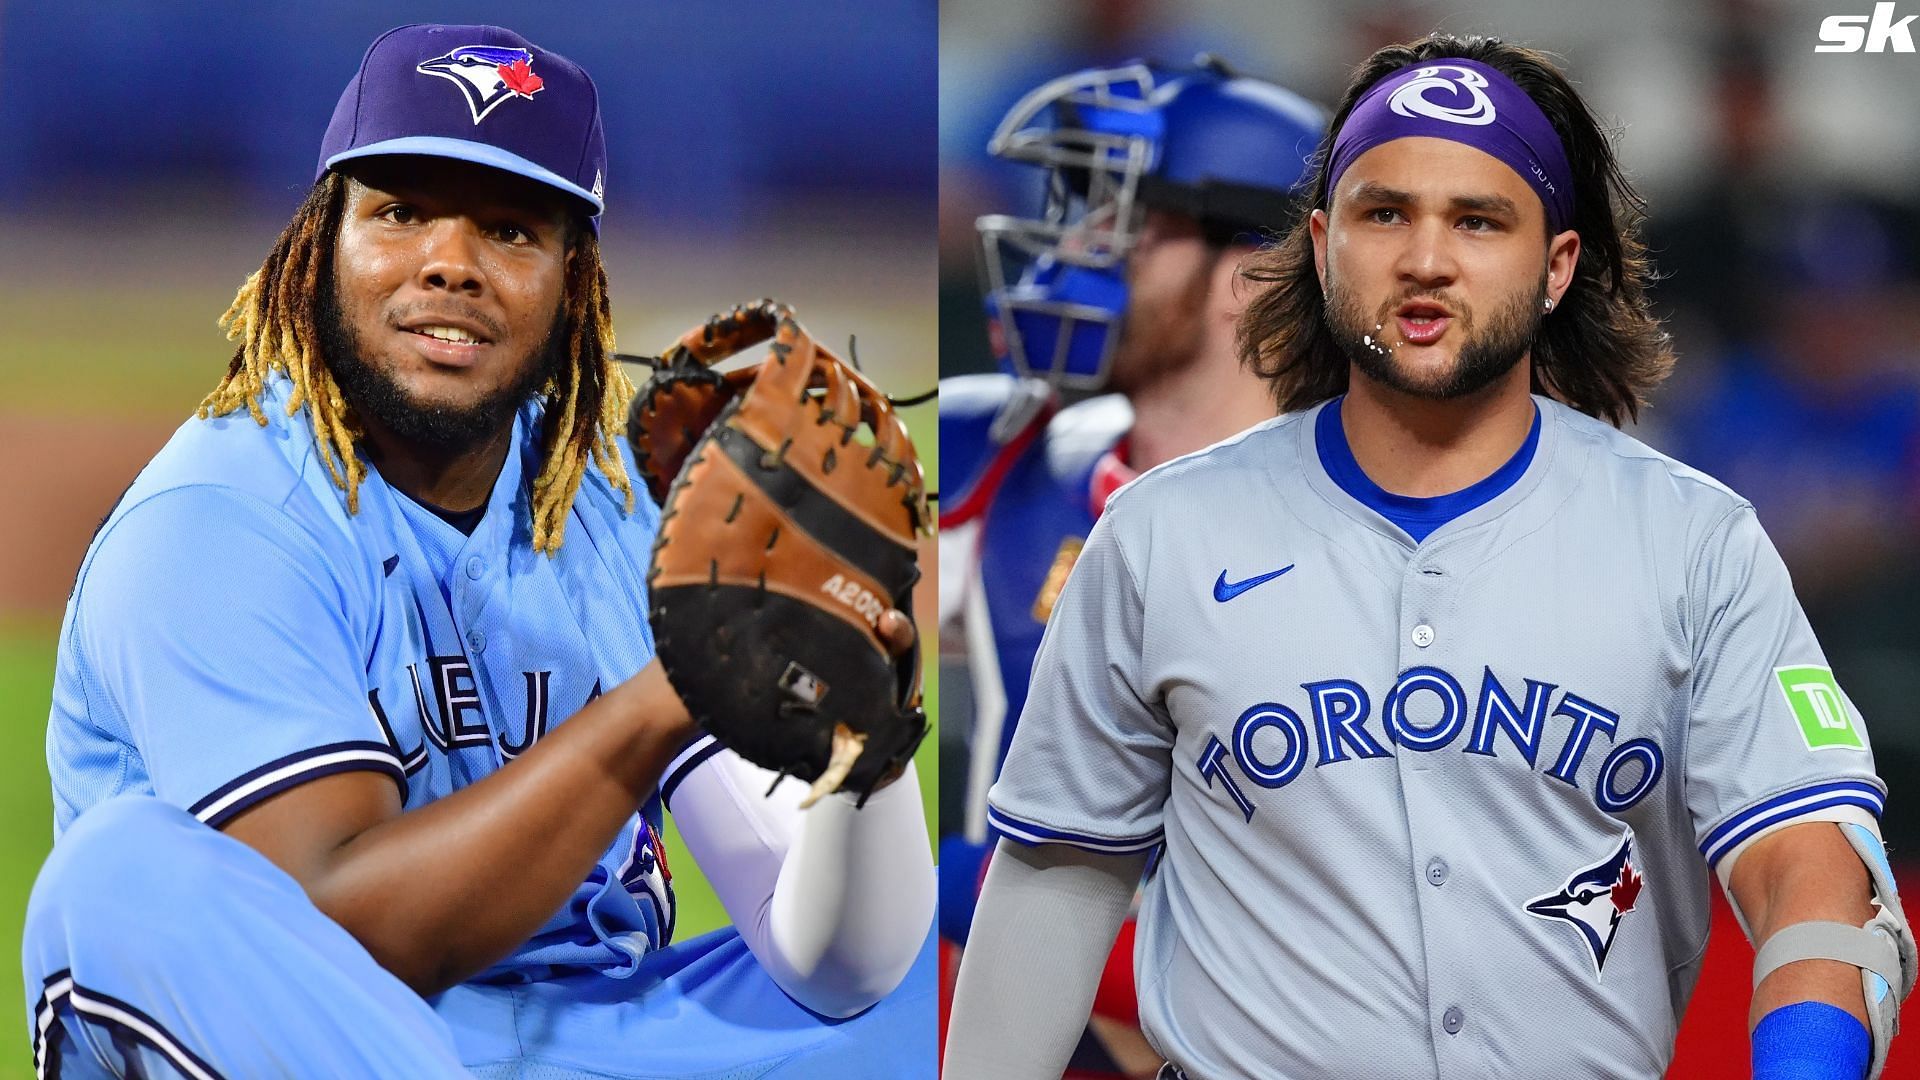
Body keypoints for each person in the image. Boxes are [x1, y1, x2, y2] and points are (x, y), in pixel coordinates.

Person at [944, 33, 1911, 1080]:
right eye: (1384, 212)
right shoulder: (1158, 533)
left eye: (1479, 220)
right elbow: (1057, 879)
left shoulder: (1693, 539)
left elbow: (1814, 872)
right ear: (1320, 248)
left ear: (1557, 265)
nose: (1426, 257)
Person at [24, 23, 935, 1079]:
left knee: (946, 956)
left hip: (589, 1037)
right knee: (116, 882)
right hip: (305, 1036)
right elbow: (352, 929)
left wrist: (864, 746)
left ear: (572, 282)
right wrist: (665, 695)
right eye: (402, 213)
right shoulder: (218, 517)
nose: (450, 264)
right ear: (322, 248)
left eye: (509, 231)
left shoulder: (626, 501)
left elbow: (837, 968)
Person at [937, 57, 1325, 1078]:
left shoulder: (1361, 527)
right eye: (1079, 215)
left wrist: (960, 896)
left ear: (1252, 275)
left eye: (1124, 228)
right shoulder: (1010, 447)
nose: (1073, 254)